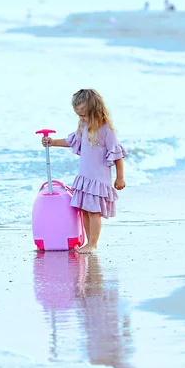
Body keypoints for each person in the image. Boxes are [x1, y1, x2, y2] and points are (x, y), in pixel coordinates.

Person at [41, 89, 128, 253]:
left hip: (98, 179)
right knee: (85, 211)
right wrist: (52, 142)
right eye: (79, 115)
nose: (81, 118)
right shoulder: (84, 126)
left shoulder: (105, 130)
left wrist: (120, 178)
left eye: (84, 115)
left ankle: (93, 243)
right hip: (85, 177)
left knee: (94, 211)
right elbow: (71, 141)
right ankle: (88, 242)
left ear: (95, 111)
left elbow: (117, 155)